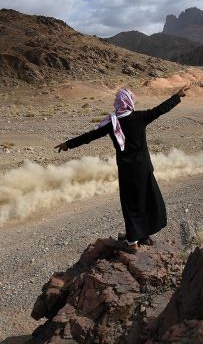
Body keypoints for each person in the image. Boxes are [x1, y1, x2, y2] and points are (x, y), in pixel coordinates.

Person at [55, 86, 188, 253]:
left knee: (131, 203)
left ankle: (135, 239)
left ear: (118, 103)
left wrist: (68, 144)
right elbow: (160, 110)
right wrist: (176, 96)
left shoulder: (112, 123)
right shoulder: (140, 117)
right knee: (145, 199)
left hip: (127, 171)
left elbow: (90, 136)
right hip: (144, 169)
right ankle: (136, 237)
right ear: (130, 102)